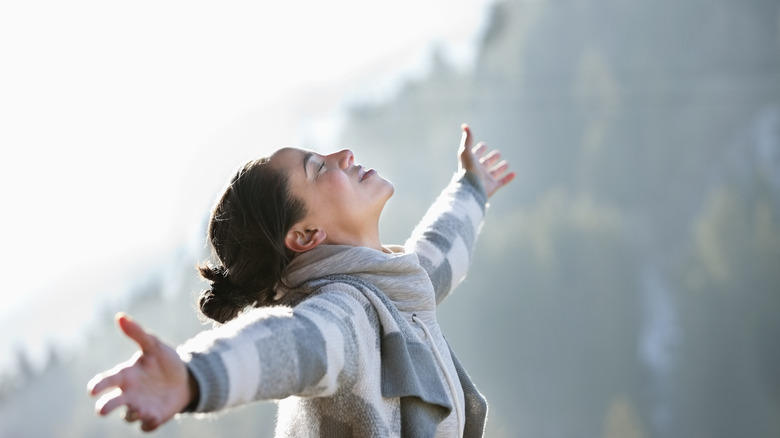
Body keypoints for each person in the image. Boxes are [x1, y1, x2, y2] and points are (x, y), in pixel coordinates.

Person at [87, 123, 515, 437]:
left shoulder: (390, 292)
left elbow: (436, 259)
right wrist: (194, 376)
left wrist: (472, 189)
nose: (344, 155)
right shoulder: (346, 314)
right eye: (317, 168)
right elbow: (290, 343)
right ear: (306, 235)